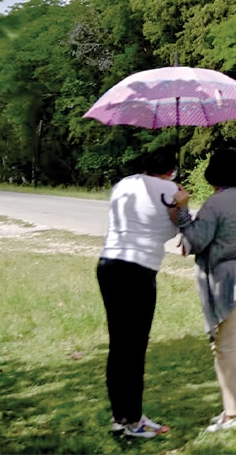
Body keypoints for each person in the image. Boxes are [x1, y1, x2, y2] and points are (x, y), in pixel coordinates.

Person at [172, 148, 236, 433]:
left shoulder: (215, 203)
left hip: (230, 283)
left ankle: (232, 413)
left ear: (214, 173)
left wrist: (182, 209)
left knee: (225, 346)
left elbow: (196, 241)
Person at [96, 148, 178, 439]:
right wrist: (180, 202)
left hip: (109, 263)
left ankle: (122, 417)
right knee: (134, 348)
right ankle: (132, 422)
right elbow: (176, 229)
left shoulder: (124, 183)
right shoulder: (171, 190)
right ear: (171, 170)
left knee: (119, 345)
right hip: (139, 269)